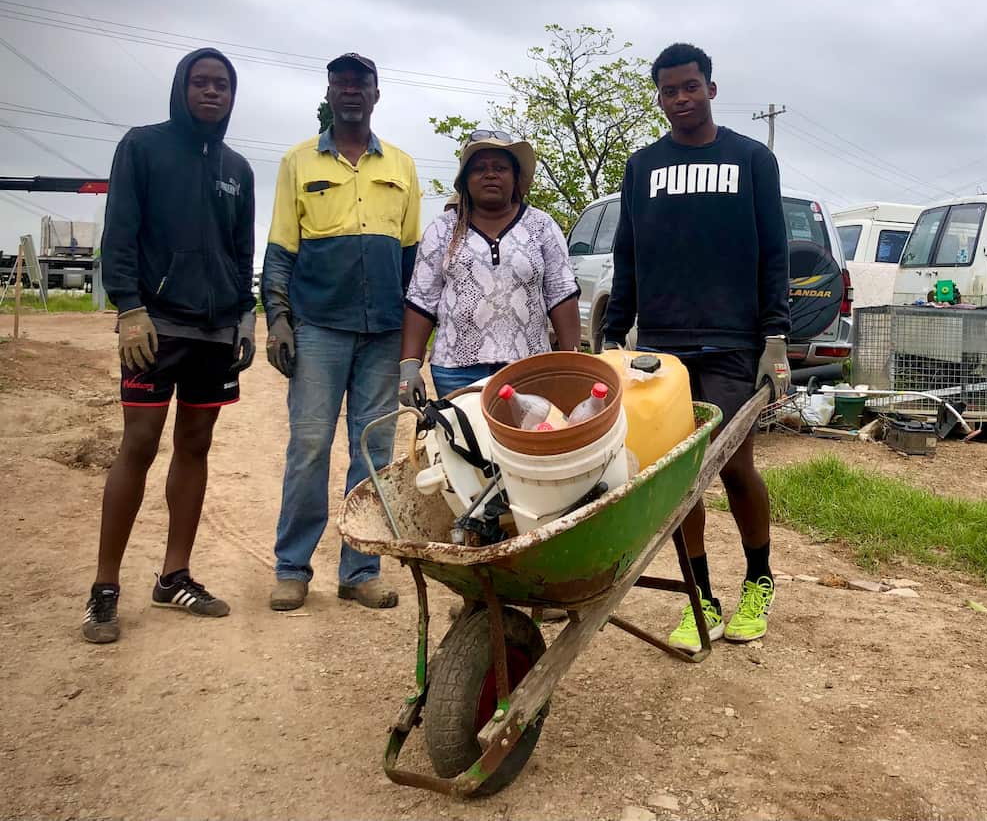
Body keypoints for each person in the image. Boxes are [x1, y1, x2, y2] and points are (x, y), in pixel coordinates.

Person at [603, 42, 791, 652]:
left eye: (690, 86)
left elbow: (774, 252)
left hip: (734, 340)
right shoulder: (642, 168)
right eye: (668, 90)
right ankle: (699, 597)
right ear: (658, 96)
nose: (680, 99)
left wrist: (776, 336)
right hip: (662, 346)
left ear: (711, 87)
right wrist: (614, 334)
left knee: (734, 465)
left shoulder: (751, 159)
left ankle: (759, 582)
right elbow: (627, 253)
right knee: (681, 476)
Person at [83, 48, 256, 644]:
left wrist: (245, 317)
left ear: (233, 97)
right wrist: (128, 307)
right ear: (181, 87)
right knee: (139, 442)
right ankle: (104, 588)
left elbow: (240, 252)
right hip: (153, 328)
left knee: (196, 444)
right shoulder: (142, 147)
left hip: (213, 332)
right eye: (201, 82)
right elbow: (119, 234)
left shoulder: (239, 168)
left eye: (223, 86)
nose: (212, 93)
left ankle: (174, 576)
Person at [261, 52, 421, 612]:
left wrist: (411, 343)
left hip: (381, 332)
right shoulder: (298, 162)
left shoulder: (401, 166)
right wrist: (277, 318)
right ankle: (292, 568)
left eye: (361, 83)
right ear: (329, 94)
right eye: (341, 83)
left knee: (373, 451)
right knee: (308, 447)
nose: (351, 91)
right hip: (318, 329)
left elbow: (411, 263)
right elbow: (280, 249)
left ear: (377, 94)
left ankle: (360, 571)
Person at [399, 131, 581, 403]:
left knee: (522, 444)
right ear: (465, 180)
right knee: (463, 444)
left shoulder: (541, 226)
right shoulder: (443, 228)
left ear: (516, 177)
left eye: (500, 168)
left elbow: (561, 295)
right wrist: (409, 365)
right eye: (479, 169)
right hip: (455, 371)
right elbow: (422, 301)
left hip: (529, 368)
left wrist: (573, 364)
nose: (490, 174)